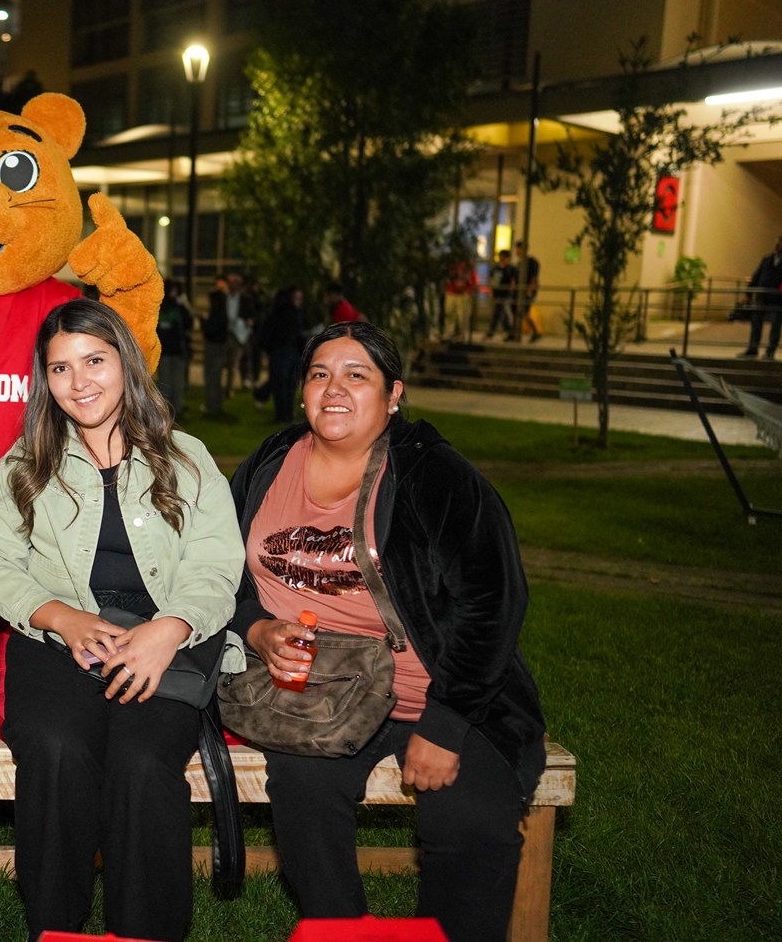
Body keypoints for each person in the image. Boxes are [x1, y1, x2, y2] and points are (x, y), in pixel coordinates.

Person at [226, 321, 545, 942]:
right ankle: (340, 929)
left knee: (469, 823)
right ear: (301, 392)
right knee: (303, 792)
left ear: (393, 394)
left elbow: (491, 603)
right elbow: (219, 572)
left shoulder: (435, 476)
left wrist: (445, 728)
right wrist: (257, 628)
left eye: (356, 375)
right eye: (319, 374)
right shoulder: (269, 462)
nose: (334, 389)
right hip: (317, 694)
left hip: (444, 693)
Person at [0, 298, 243, 942]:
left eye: (95, 360)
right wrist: (61, 617)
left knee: (143, 765)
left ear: (127, 362)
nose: (80, 381)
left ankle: (143, 932)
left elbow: (215, 565)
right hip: (58, 637)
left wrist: (169, 629)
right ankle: (57, 928)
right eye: (61, 369)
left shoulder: (185, 458)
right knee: (58, 751)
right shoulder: (26, 463)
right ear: (46, 380)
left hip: (164, 639)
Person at [737, 236, 782, 359]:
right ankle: (752, 348)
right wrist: (748, 293)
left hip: (779, 298)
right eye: (777, 244)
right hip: (763, 295)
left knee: (776, 325)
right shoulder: (767, 259)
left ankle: (770, 350)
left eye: (780, 244)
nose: (777, 247)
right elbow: (757, 275)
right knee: (756, 323)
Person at [261, 285, 307, 423]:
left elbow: (267, 334)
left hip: (280, 352)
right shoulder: (294, 314)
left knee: (280, 385)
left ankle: (282, 415)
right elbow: (299, 335)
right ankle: (288, 415)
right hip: (291, 352)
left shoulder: (277, 314)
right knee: (289, 386)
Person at [155, 278, 192, 420]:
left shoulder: (160, 308)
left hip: (167, 351)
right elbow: (188, 323)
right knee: (174, 382)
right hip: (174, 351)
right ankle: (174, 409)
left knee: (167, 382)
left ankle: (168, 410)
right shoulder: (177, 308)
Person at [202, 276, 231, 417]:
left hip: (214, 346)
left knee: (212, 376)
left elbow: (210, 329)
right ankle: (216, 404)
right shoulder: (223, 312)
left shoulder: (215, 313)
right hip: (220, 345)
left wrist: (203, 321)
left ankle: (212, 405)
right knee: (216, 376)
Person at [484, 250, 519, 340]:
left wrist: (511, 291)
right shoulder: (496, 268)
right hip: (497, 294)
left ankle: (505, 332)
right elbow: (492, 280)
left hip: (506, 294)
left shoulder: (511, 269)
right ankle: (505, 332)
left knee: (502, 314)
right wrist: (491, 290)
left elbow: (513, 281)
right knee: (498, 313)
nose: (502, 259)